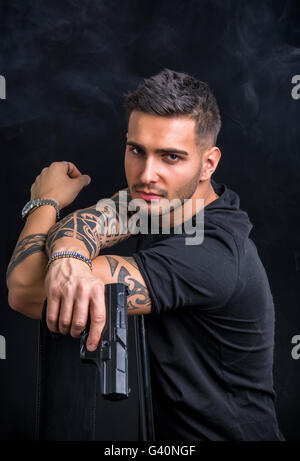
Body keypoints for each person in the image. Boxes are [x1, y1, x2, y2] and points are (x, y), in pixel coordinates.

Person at [6, 69, 284, 441]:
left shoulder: (212, 253)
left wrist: (46, 202)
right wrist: (70, 253)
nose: (146, 174)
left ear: (208, 163)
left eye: (171, 157)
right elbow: (95, 219)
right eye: (137, 150)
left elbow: (25, 289)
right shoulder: (162, 202)